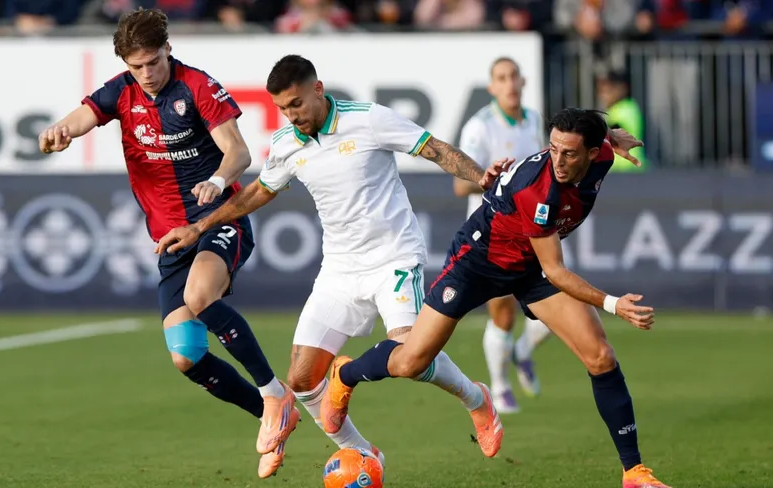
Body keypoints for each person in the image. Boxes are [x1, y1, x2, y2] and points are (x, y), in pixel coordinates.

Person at [155, 54, 510, 463]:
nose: (292, 115)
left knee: (411, 358)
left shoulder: (368, 119)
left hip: (393, 258)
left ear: (318, 90)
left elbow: (434, 149)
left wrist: (480, 177)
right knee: (302, 379)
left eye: (296, 103)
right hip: (339, 270)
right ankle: (360, 454)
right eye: (283, 108)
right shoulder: (287, 144)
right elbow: (260, 191)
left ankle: (476, 399)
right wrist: (199, 227)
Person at [321, 108, 672, 488]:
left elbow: (599, 134)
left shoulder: (600, 153)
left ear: (591, 152)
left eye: (569, 153)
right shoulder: (539, 190)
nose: (557, 160)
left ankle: (634, 472)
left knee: (600, 356)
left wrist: (612, 136)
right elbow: (556, 271)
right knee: (410, 361)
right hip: (477, 262)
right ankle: (346, 373)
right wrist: (612, 303)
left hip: (530, 266)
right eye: (553, 148)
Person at [36, 8, 298, 478]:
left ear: (168, 49)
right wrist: (60, 131)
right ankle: (271, 416)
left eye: (153, 62)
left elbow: (238, 151)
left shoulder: (197, 86)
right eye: (136, 66)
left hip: (218, 218)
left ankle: (273, 392)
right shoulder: (122, 91)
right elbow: (83, 116)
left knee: (200, 296)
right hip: (170, 239)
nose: (147, 73)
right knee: (186, 356)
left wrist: (217, 181)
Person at [455, 56, 550, 411]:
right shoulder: (479, 127)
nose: (509, 83)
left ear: (523, 82)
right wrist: (500, 182)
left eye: (513, 76)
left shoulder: (533, 120)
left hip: (533, 227)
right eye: (501, 78)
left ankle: (523, 351)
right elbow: (460, 185)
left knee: (556, 307)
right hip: (493, 230)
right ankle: (499, 388)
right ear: (492, 87)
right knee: (504, 314)